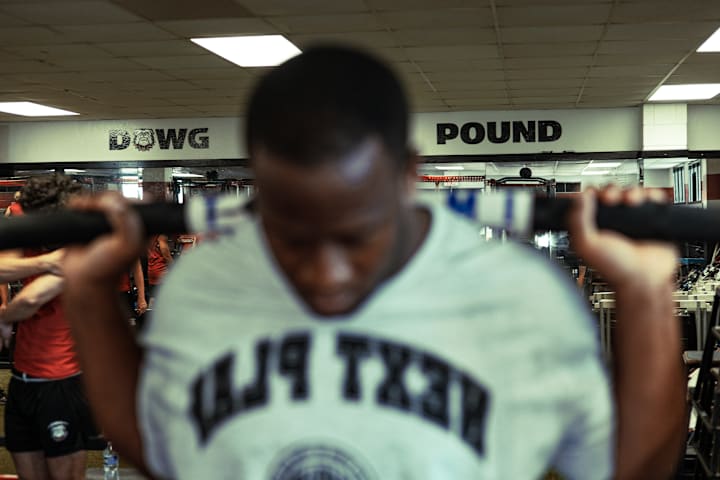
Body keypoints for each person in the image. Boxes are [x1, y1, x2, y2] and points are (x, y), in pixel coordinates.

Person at [61, 46, 685, 479]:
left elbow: (631, 469)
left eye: (357, 237)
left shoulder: (519, 297)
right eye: (293, 239)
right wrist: (88, 294)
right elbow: (160, 450)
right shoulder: (205, 284)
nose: (326, 276)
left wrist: (645, 293)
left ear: (407, 175)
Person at [0, 175, 98, 480]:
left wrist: (4, 316)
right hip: (21, 381)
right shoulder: (35, 231)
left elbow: (31, 299)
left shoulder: (83, 244)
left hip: (61, 383)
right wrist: (47, 260)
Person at [146, 233, 173, 308]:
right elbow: (164, 249)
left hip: (151, 269)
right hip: (161, 270)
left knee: (153, 297)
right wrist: (174, 266)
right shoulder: (162, 230)